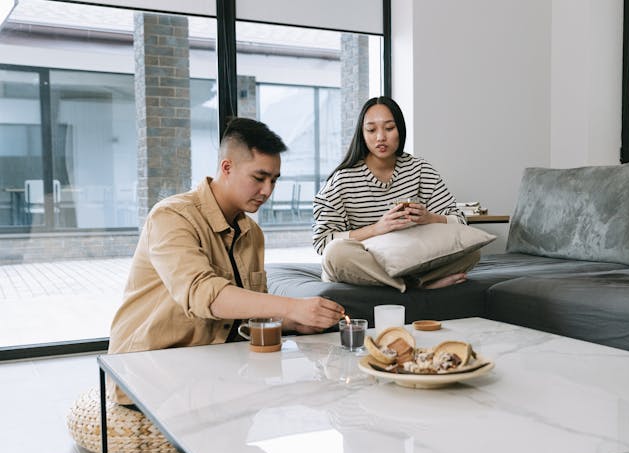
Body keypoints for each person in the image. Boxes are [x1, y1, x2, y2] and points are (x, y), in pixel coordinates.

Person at [108, 118, 344, 404]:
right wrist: (294, 306)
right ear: (227, 168)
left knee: (314, 389)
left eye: (274, 180)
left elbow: (248, 314)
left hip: (211, 365)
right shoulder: (171, 217)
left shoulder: (252, 233)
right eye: (259, 178)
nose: (268, 191)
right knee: (280, 395)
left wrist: (294, 323)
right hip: (148, 372)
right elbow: (203, 294)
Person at [313, 96, 479, 292]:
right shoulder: (342, 180)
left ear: (400, 130)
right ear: (362, 134)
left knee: (471, 252)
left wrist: (429, 218)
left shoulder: (420, 170)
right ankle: (417, 285)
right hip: (367, 261)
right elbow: (323, 241)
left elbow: (459, 221)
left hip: (411, 259)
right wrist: (378, 229)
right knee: (336, 254)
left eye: (389, 128)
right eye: (371, 130)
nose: (380, 137)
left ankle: (404, 282)